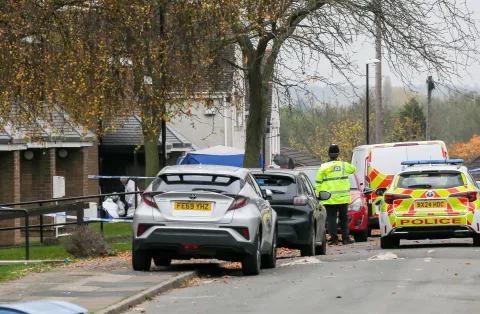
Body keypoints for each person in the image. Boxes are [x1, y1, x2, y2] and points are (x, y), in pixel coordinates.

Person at [315, 144, 356, 245]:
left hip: (329, 198)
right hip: (343, 198)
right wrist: (341, 161)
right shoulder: (343, 165)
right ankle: (346, 238)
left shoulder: (323, 167)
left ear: (328, 154)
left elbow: (318, 182)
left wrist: (318, 194)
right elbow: (353, 169)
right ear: (338, 154)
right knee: (344, 218)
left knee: (331, 219)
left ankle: (334, 239)